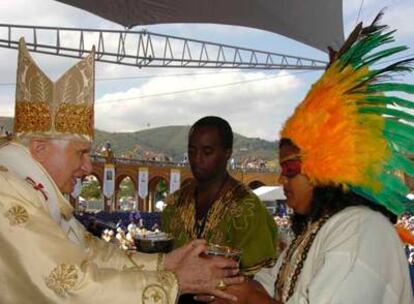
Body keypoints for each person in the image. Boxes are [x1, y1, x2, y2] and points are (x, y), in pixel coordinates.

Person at [0, 38, 244, 303]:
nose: (88, 167)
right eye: (81, 152)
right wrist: (175, 282)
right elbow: (72, 285)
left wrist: (166, 262)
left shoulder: (31, 190)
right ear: (39, 148)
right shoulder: (8, 194)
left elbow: (94, 253)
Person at [204, 14, 414, 304]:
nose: (281, 179)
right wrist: (232, 288)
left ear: (325, 167)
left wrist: (251, 298)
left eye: (290, 168)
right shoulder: (316, 228)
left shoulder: (360, 230)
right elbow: (270, 283)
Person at [162, 116, 278, 303]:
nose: (197, 159)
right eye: (192, 151)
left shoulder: (247, 208)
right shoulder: (174, 203)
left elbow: (260, 281)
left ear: (227, 153)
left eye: (207, 152)